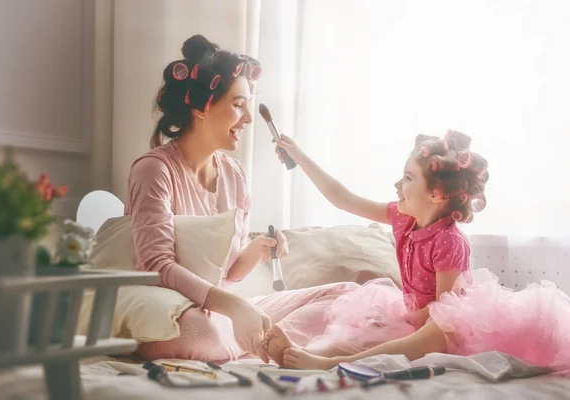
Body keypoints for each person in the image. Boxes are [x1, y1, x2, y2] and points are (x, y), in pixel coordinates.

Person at [124, 34, 358, 362]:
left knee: (345, 295)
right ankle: (269, 344)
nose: (248, 118)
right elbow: (156, 266)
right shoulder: (153, 170)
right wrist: (235, 307)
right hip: (175, 312)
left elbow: (227, 274)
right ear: (202, 107)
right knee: (202, 333)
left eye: (248, 106)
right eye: (238, 105)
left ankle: (263, 341)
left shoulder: (235, 175)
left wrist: (254, 251)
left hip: (221, 311)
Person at [262, 131, 570, 372]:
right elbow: (343, 199)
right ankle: (309, 354)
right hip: (413, 314)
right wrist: (300, 158)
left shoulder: (450, 241)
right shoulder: (402, 218)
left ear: (436, 194)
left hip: (442, 320)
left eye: (408, 178)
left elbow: (444, 308)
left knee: (436, 331)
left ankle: (327, 364)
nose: (397, 184)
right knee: (365, 332)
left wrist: (409, 319)